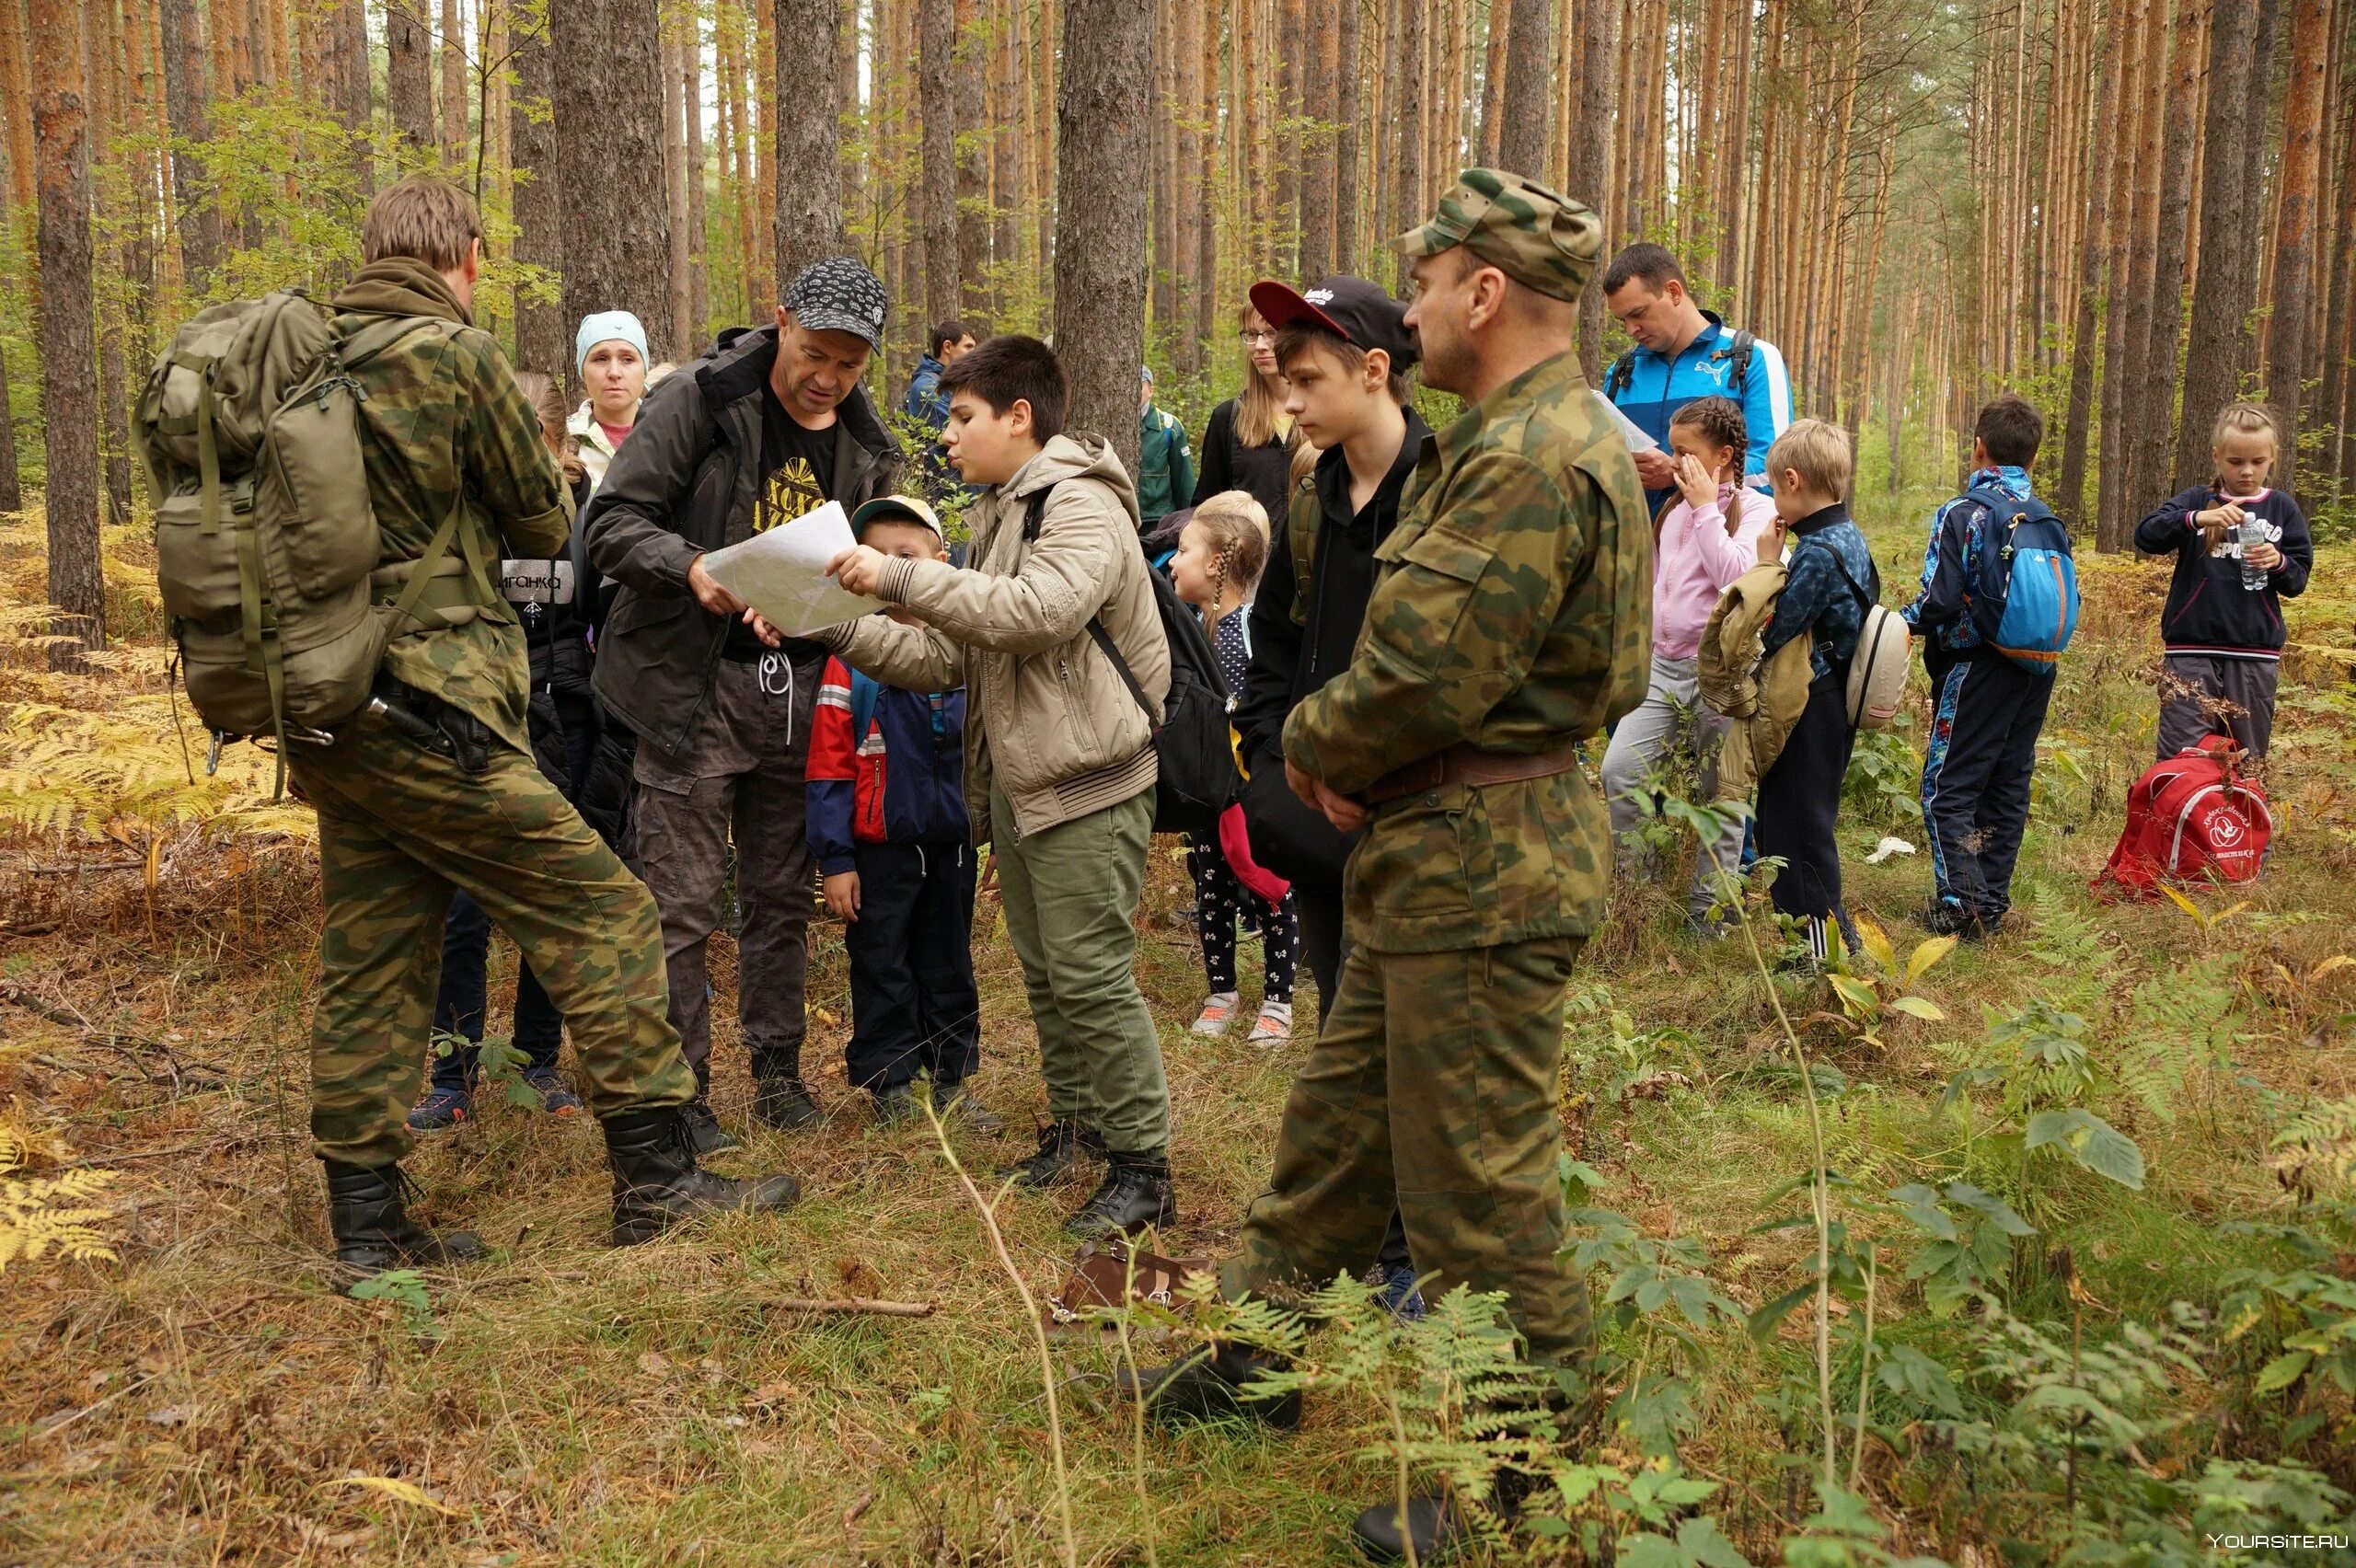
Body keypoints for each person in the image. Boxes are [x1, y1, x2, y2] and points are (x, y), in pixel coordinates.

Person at [1126, 170, 1649, 1562]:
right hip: (1437, 867)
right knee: (1333, 1153)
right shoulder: (1519, 436)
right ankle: (1253, 1370)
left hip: (1482, 871)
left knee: (1480, 1196)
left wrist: (1306, 744)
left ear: (1483, 291)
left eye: (1420, 284)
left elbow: (1420, 671)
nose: (1408, 307)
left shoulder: (1532, 450)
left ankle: (1531, 1496)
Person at [294, 176, 797, 1278]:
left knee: (374, 954)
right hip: (436, 705)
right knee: (609, 912)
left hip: (328, 709)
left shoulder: (306, 356)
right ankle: (658, 1184)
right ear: (464, 257)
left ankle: (367, 1228)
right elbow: (540, 516)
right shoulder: (454, 355)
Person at [820, 334, 1177, 1242]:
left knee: (1092, 977)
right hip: (1027, 786)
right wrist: (835, 623)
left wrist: (902, 573)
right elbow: (947, 656)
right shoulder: (1002, 514)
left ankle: (1144, 1168)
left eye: (964, 417)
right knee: (1052, 979)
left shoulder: (1080, 503)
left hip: (1091, 778)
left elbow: (1037, 612)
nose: (948, 436)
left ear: (1019, 418)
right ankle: (1080, 1131)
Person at [584, 255, 904, 1154]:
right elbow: (610, 526)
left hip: (798, 686)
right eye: (815, 352)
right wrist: (696, 570)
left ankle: (776, 1071)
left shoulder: (865, 442)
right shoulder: (698, 400)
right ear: (781, 319)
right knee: (680, 904)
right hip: (689, 684)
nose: (828, 377)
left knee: (776, 895)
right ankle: (679, 1098)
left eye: (849, 362)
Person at [1240, 272, 1434, 1317]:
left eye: (1305, 379)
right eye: (1279, 379)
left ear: (1374, 369)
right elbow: (1277, 639)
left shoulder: (1447, 491)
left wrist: (1379, 778)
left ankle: (1412, 1255)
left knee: (1409, 1037)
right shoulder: (1313, 499)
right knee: (1340, 1021)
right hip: (1316, 820)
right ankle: (1362, 1237)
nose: (1289, 403)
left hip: (1411, 825)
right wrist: (1274, 763)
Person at [408, 369, 604, 1131]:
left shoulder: (587, 512)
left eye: (534, 444)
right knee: (463, 908)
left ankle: (538, 1062)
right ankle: (453, 1075)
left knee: (551, 900)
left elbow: (598, 616)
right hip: (476, 724)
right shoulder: (459, 514)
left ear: (559, 444)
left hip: (568, 723)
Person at [806, 494, 999, 1132]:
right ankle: (891, 1079)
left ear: (941, 562)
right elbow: (830, 766)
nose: (889, 569)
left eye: (905, 556)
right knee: (882, 961)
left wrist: (994, 834)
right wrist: (836, 859)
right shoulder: (852, 659)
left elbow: (993, 750)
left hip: (953, 844)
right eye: (876, 556)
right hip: (879, 850)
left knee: (948, 961)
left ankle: (951, 1079)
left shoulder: (971, 649)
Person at [1600, 396, 1775, 935]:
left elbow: (1737, 581)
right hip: (1659, 670)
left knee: (1717, 793)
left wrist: (1704, 506)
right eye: (1673, 451)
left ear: (1723, 455)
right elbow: (1657, 586)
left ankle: (1709, 920)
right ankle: (1640, 898)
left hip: (1720, 677)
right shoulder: (1671, 510)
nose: (1675, 463)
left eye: (1685, 452)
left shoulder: (1756, 511)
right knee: (1621, 772)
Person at [1901, 395, 2062, 940]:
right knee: (2008, 784)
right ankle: (1990, 902)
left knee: (1947, 786)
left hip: (1975, 666)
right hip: (2036, 667)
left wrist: (1896, 623)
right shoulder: (2044, 518)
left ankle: (1961, 905)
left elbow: (1939, 601)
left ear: (1978, 448)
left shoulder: (1962, 513)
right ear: (2033, 458)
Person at [1168, 491, 1299, 1045]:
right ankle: (1221, 991)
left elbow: (1271, 695)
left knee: (1271, 887)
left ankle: (1279, 1001)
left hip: (1252, 789)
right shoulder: (1193, 630)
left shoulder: (1250, 626)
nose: (1172, 562)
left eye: (1183, 550)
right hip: (1207, 789)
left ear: (1216, 563)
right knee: (1212, 885)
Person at [1751, 420, 1875, 965]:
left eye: (1776, 487)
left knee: (1797, 828)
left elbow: (1774, 628)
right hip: (1833, 701)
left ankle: (1815, 954)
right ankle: (1833, 941)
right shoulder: (1848, 537)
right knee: (1804, 820)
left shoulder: (1817, 553)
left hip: (1811, 703)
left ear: (1794, 481)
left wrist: (1765, 563)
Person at [2132, 401, 2313, 762]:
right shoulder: (2198, 500)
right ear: (2217, 457)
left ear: (2272, 458)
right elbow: (2146, 535)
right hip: (2190, 652)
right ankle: (2178, 819)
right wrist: (2198, 518)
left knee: (2247, 761)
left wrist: (2277, 562)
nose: (2247, 472)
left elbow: (2297, 580)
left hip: (2254, 654)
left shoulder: (2281, 508)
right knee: (2181, 758)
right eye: (2236, 462)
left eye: (2257, 462)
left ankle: (2240, 820)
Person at [1599, 242, 1791, 508]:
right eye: (1623, 321)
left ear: (1674, 292)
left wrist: (1676, 473)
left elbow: (1776, 472)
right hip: (1634, 547)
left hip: (1720, 545)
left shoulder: (1752, 358)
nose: (1631, 329)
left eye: (1638, 313)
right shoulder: (1621, 373)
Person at [1193, 302, 1305, 528]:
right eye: (1252, 335)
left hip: (1312, 559)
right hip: (1248, 560)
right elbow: (1206, 508)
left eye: (1271, 333)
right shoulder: (1228, 417)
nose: (1260, 345)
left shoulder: (1323, 413)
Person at [569, 311, 650, 490]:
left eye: (628, 359)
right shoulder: (561, 440)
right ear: (583, 371)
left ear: (644, 369)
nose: (614, 372)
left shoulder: (671, 435)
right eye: (601, 359)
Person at [1137, 365, 1196, 534]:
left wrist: (1189, 520)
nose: (1133, 390)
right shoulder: (1111, 423)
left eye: (1139, 385)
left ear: (1150, 390)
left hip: (1158, 520)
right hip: (1120, 518)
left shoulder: (1169, 427)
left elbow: (1184, 481)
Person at [904, 319, 975, 432]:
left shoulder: (953, 383)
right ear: (947, 347)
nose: (974, 353)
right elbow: (962, 432)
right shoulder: (927, 387)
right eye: (968, 347)